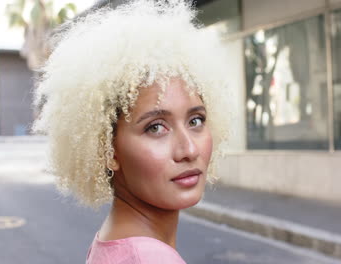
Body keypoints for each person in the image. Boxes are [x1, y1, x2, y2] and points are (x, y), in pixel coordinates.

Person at [32, 0, 230, 263]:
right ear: (107, 147)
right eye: (156, 127)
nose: (189, 149)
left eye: (195, 120)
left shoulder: (113, 242)